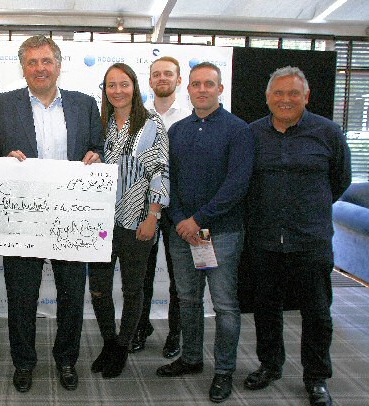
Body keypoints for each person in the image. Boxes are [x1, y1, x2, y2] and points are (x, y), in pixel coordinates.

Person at [0, 35, 103, 392]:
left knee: (70, 294)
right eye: (31, 62)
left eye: (46, 61)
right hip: (22, 218)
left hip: (71, 217)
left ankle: (66, 360)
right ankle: (24, 362)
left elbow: (97, 147)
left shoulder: (84, 104)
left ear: (58, 65)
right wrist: (3, 162)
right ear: (23, 67)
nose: (39, 68)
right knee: (21, 296)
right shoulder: (2, 105)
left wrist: (95, 156)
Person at [244, 66, 351, 406]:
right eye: (279, 93)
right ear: (267, 98)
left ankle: (316, 378)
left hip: (311, 239)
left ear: (306, 97)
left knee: (317, 312)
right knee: (266, 308)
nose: (286, 99)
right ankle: (270, 365)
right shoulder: (252, 134)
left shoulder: (329, 132)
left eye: (293, 93)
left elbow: (340, 180)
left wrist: (310, 208)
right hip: (263, 238)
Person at [155, 62, 254, 404]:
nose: (201, 89)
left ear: (220, 89)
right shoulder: (178, 131)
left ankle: (224, 370)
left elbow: (237, 184)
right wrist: (182, 220)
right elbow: (169, 180)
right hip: (182, 233)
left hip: (222, 234)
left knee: (225, 306)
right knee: (188, 300)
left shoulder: (239, 130)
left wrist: (199, 220)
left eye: (208, 84)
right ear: (189, 88)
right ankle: (192, 359)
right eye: (196, 84)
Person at [88, 63, 169, 379]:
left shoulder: (151, 124)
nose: (117, 90)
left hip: (137, 221)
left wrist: (153, 214)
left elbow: (159, 172)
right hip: (100, 222)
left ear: (134, 87)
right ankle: (109, 342)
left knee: (134, 290)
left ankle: (122, 346)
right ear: (105, 90)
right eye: (111, 85)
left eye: (124, 84)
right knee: (99, 289)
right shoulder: (101, 124)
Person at [131, 56, 191, 356]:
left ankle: (175, 334)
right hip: (146, 209)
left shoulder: (192, 117)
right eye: (156, 74)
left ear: (179, 80)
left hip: (181, 210)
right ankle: (141, 327)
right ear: (150, 81)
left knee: (180, 277)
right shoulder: (139, 117)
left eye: (168, 74)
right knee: (143, 274)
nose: (162, 78)